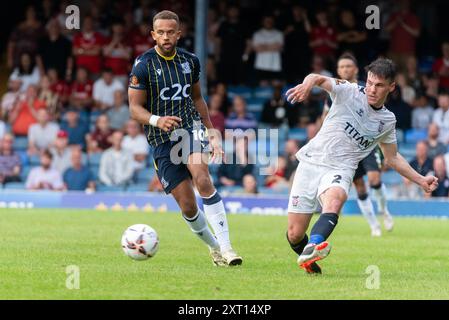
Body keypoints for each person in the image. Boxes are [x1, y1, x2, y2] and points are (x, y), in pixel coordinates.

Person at [285, 58, 438, 274]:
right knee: (294, 234)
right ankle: (309, 257)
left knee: (336, 199)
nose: (372, 89)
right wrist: (306, 85)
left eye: (379, 85)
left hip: (341, 168)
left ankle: (314, 245)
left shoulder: (387, 121)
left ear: (391, 87)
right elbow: (317, 77)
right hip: (311, 162)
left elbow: (392, 158)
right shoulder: (349, 91)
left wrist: (421, 180)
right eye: (369, 83)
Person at [128, 10, 242, 266]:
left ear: (179, 34)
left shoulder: (190, 61)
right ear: (153, 35)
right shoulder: (143, 65)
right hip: (160, 140)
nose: (166, 37)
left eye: (170, 32)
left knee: (202, 178)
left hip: (188, 130)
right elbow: (134, 109)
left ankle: (228, 248)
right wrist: (158, 120)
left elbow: (198, 98)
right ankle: (214, 248)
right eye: (161, 32)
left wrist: (211, 132)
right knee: (189, 207)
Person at [321, 54, 394, 237]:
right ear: (338, 71)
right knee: (360, 186)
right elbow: (325, 118)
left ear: (355, 69)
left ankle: (384, 210)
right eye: (342, 67)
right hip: (346, 148)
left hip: (365, 143)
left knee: (375, 179)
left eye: (348, 66)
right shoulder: (334, 93)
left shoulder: (368, 88)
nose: (345, 69)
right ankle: (373, 225)